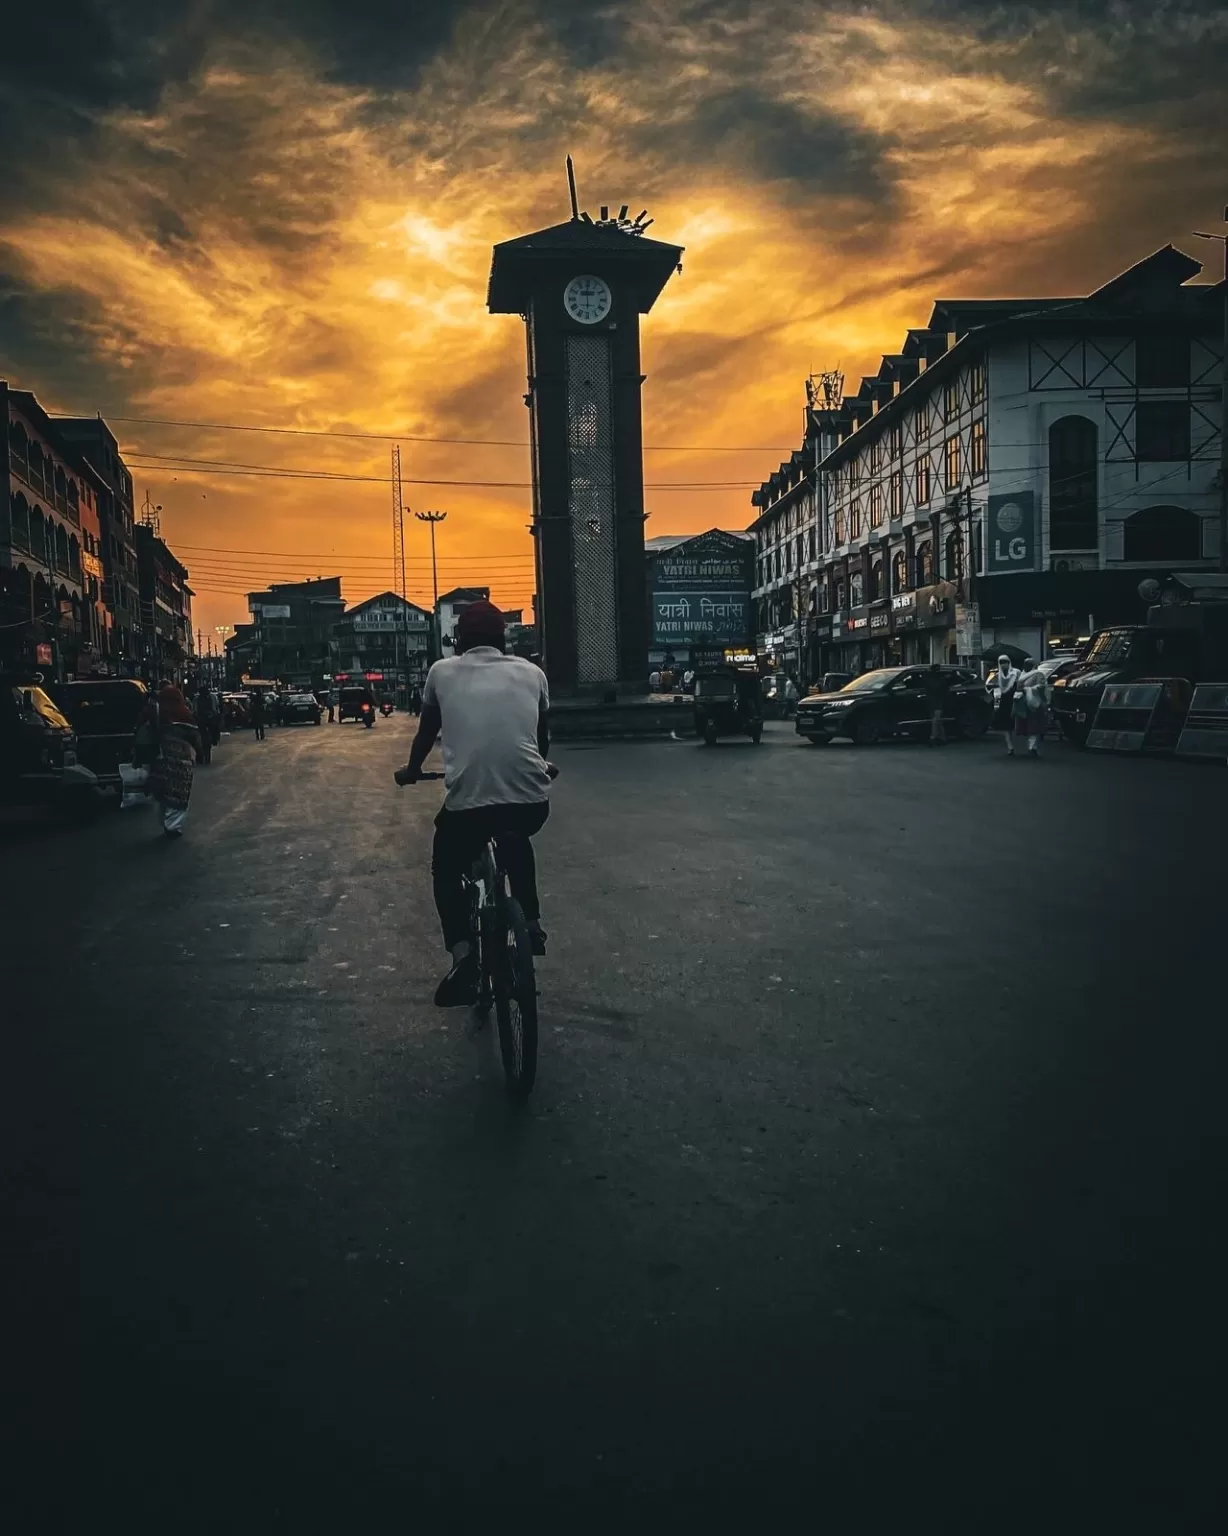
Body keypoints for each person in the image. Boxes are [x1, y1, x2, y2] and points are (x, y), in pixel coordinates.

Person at [395, 600, 552, 1007]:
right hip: (531, 799)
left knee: (446, 864)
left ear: (459, 640)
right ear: (503, 639)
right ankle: (531, 922)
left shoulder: (441, 672)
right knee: (515, 833)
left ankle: (463, 955)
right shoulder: (532, 673)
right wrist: (540, 766)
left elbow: (427, 733)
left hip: (469, 808)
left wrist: (411, 770)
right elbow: (540, 737)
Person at [147, 682, 200, 837]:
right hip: (181, 763)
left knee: (162, 792)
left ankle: (166, 822)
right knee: (179, 793)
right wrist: (200, 752)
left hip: (160, 760)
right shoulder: (185, 715)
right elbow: (195, 737)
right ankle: (173, 825)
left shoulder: (155, 713)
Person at [1014, 658, 1050, 758]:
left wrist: (1029, 689)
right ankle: (1032, 746)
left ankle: (1032, 747)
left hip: (1035, 702)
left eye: (1029, 664)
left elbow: (1041, 686)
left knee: (1034, 725)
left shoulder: (1038, 674)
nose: (1026, 666)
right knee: (1029, 725)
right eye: (1025, 664)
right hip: (1024, 703)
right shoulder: (1022, 674)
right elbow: (1018, 687)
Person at [992, 654, 1022, 755]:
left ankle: (1029, 745)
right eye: (1001, 662)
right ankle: (1010, 746)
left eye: (1005, 662)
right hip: (1004, 701)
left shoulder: (1016, 672)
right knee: (1005, 724)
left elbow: (1021, 684)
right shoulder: (998, 675)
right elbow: (994, 687)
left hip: (1015, 699)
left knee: (1018, 722)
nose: (1003, 664)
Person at [924, 662, 949, 745]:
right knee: (937, 720)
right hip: (937, 701)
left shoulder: (930, 679)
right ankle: (942, 737)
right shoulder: (938, 680)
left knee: (936, 719)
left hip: (934, 701)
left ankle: (934, 737)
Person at [195, 685, 217, 764]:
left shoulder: (210, 698)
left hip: (207, 719)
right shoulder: (200, 699)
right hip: (203, 720)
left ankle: (213, 739)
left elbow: (214, 709)